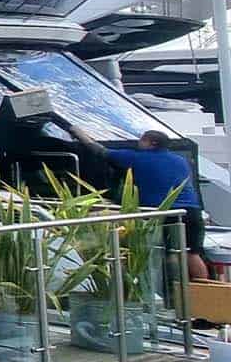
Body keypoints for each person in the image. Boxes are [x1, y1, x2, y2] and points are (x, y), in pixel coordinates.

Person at [50, 119, 210, 287]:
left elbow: (100, 151)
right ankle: (208, 293)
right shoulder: (180, 160)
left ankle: (171, 292)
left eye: (142, 140)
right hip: (192, 213)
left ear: (151, 143)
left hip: (162, 214)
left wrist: (76, 131)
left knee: (168, 253)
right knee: (192, 254)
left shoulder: (136, 158)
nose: (138, 143)